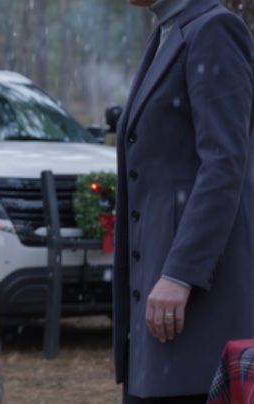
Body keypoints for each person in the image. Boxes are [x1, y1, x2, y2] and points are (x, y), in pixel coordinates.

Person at [114, 0, 254, 402]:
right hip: (157, 288)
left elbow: (225, 164)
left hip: (195, 292)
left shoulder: (216, 29)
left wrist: (181, 273)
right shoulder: (166, 32)